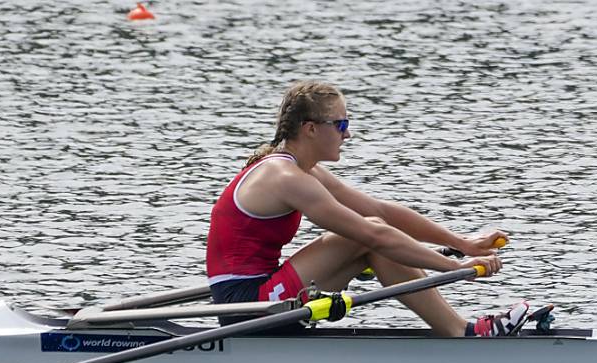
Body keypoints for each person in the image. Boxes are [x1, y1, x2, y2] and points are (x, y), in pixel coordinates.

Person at [205, 80, 526, 337]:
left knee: (376, 239)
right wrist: (454, 270)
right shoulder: (284, 177)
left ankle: (459, 330)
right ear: (310, 129)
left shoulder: (302, 169)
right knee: (365, 238)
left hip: (262, 291)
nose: (348, 133)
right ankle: (461, 333)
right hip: (245, 306)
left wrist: (462, 242)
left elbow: (380, 211)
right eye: (340, 124)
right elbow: (370, 230)